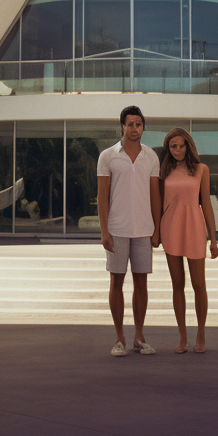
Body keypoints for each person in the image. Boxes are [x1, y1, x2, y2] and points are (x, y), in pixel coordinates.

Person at [97, 105, 161, 357]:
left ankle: (140, 337)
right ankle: (120, 338)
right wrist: (104, 231)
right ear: (122, 126)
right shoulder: (108, 156)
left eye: (139, 124)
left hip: (144, 230)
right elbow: (102, 197)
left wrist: (157, 229)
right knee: (116, 282)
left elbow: (155, 195)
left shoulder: (151, 157)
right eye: (130, 124)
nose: (135, 128)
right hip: (117, 228)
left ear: (143, 127)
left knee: (142, 284)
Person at [159, 127, 218, 353]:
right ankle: (182, 336)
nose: (177, 150)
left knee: (198, 284)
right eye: (173, 146)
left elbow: (207, 204)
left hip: (194, 227)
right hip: (170, 228)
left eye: (181, 145)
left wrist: (213, 239)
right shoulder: (163, 171)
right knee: (177, 284)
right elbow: (158, 203)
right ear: (168, 148)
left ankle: (201, 333)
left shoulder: (202, 170)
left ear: (188, 146)